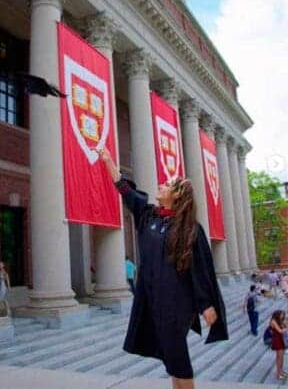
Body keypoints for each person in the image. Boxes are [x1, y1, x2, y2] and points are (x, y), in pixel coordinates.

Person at [97, 147, 227, 389]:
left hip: (178, 303)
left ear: (177, 196)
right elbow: (125, 190)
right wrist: (108, 161)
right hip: (152, 300)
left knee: (178, 357)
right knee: (172, 359)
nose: (161, 185)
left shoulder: (190, 228)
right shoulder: (148, 217)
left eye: (167, 185)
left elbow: (200, 269)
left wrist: (206, 304)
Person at [272, 310, 287, 379]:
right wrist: (286, 328)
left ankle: (281, 371)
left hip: (282, 340)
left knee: (282, 357)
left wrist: (285, 322)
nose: (282, 316)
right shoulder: (273, 321)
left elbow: (284, 327)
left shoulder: (280, 321)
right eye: (281, 314)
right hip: (277, 340)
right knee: (279, 357)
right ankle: (278, 374)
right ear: (277, 314)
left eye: (283, 315)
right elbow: (280, 331)